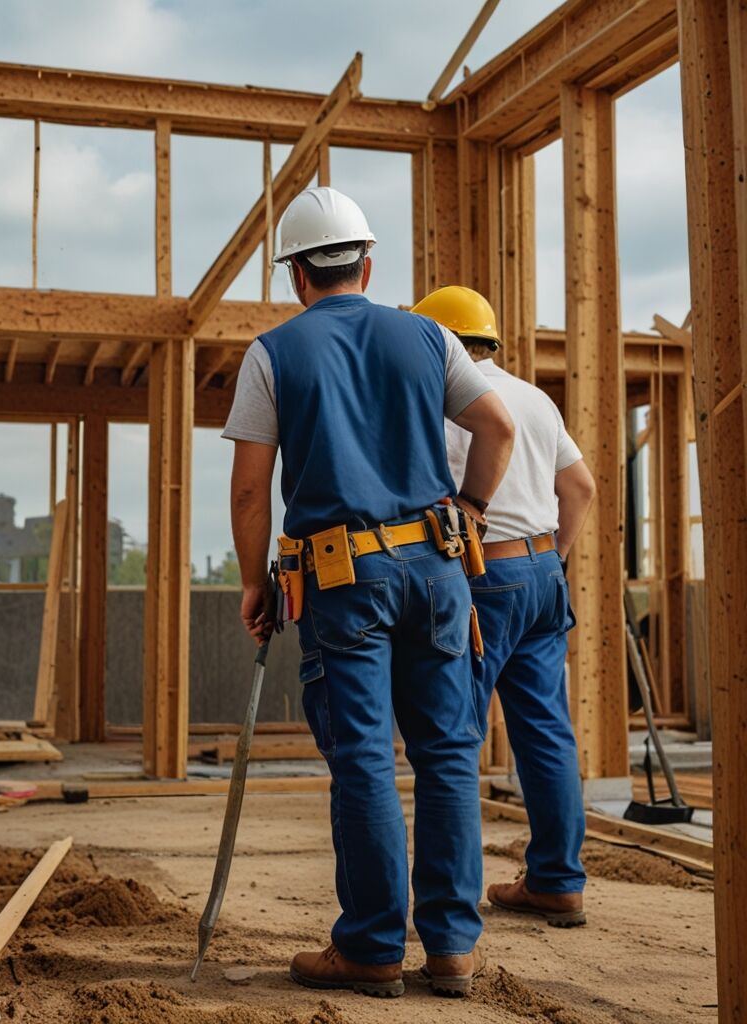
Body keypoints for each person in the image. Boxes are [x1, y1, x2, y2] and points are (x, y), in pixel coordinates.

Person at [222, 187, 515, 998]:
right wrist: (471, 511)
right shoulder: (427, 336)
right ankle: (452, 948)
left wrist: (254, 582)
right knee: (449, 755)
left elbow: (252, 492)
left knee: (363, 762)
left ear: (294, 277)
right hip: (438, 573)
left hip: (346, 582)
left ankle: (373, 948)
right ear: (369, 262)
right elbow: (498, 428)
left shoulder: (273, 353)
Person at [412, 285, 597, 928]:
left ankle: (453, 911)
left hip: (483, 573)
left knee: (453, 734)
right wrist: (551, 560)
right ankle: (557, 881)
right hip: (544, 570)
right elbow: (580, 487)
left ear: (435, 341)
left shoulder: (441, 402)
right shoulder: (535, 398)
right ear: (488, 340)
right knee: (545, 729)